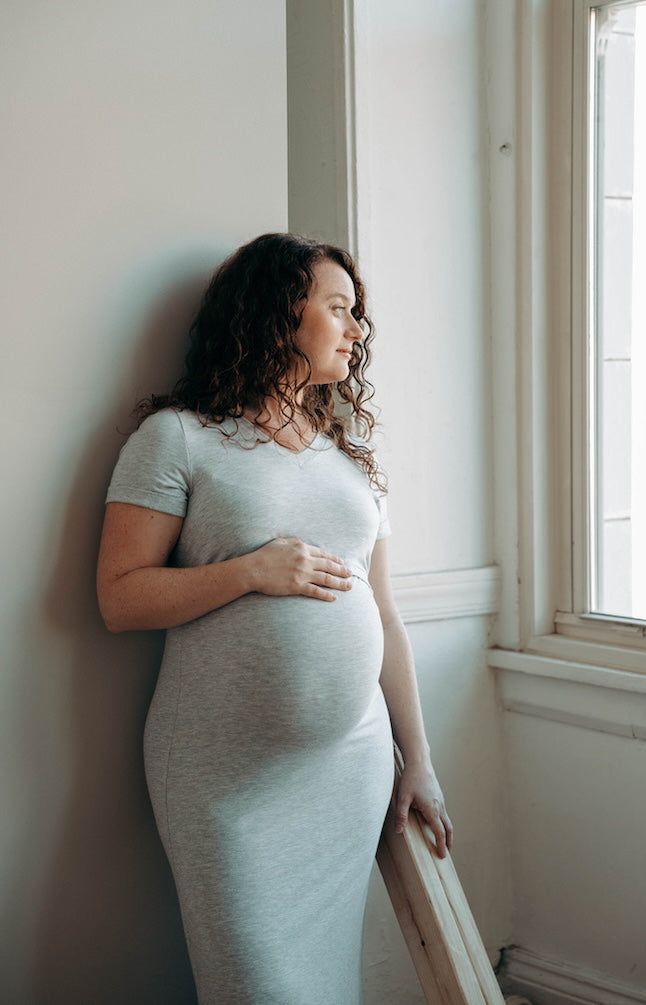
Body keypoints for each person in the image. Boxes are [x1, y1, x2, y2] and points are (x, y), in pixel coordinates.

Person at [96, 232, 452, 1005]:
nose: (356, 330)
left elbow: (383, 614)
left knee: (327, 985)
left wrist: (415, 756)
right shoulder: (178, 438)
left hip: (348, 768)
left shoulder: (348, 453)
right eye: (338, 309)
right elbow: (120, 597)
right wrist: (249, 570)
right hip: (224, 778)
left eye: (357, 315)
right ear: (277, 315)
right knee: (254, 986)